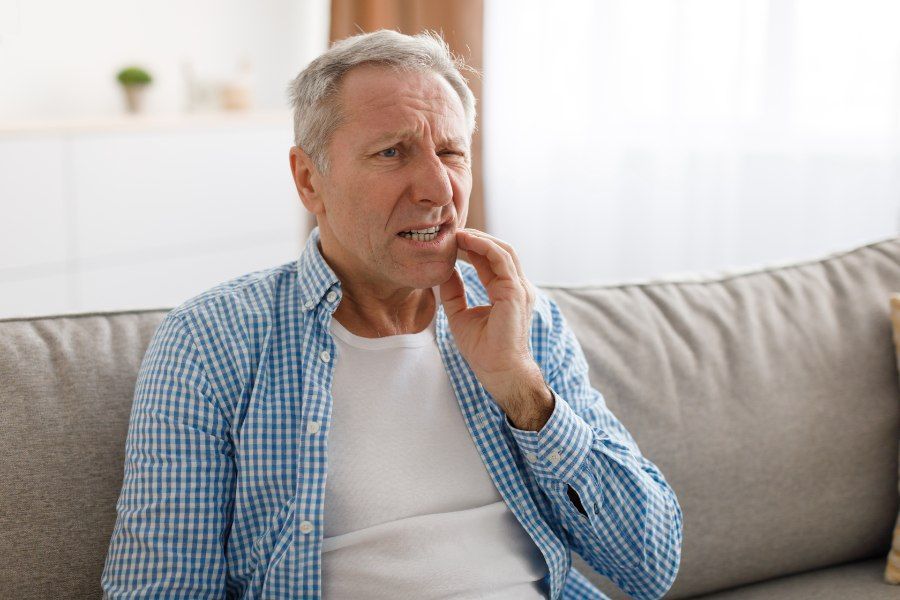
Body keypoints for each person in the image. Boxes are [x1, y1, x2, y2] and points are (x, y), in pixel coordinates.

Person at [100, 29, 682, 600]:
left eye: (451, 152)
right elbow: (161, 587)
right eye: (391, 152)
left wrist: (522, 390)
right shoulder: (212, 341)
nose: (438, 187)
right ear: (309, 179)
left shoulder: (524, 319)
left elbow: (652, 565)